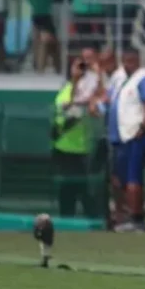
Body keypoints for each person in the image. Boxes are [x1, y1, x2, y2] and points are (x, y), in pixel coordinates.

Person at [109, 49, 145, 233]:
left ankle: (137, 218)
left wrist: (144, 125)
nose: (128, 64)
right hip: (120, 137)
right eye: (126, 60)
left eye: (132, 60)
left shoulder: (143, 78)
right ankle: (124, 216)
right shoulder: (121, 79)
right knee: (118, 179)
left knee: (133, 179)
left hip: (134, 136)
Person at [53, 56, 96, 219]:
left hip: (81, 148)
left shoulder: (84, 92)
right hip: (67, 149)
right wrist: (76, 79)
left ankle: (87, 217)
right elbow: (69, 109)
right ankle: (70, 218)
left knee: (82, 187)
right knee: (71, 188)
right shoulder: (66, 91)